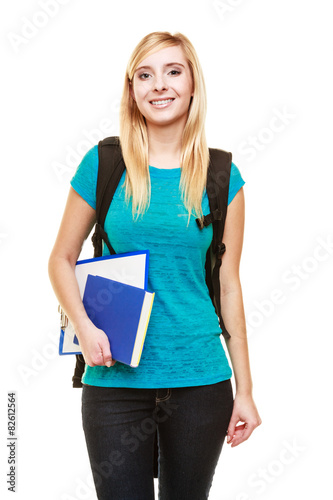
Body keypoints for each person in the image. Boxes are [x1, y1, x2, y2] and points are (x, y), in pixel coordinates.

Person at [48, 31, 261, 500]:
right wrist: (82, 327)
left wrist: (245, 389)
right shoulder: (105, 164)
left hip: (200, 380)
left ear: (191, 86)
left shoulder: (223, 176)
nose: (158, 85)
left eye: (173, 71)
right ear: (132, 89)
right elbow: (61, 259)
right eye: (145, 75)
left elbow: (229, 287)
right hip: (113, 381)